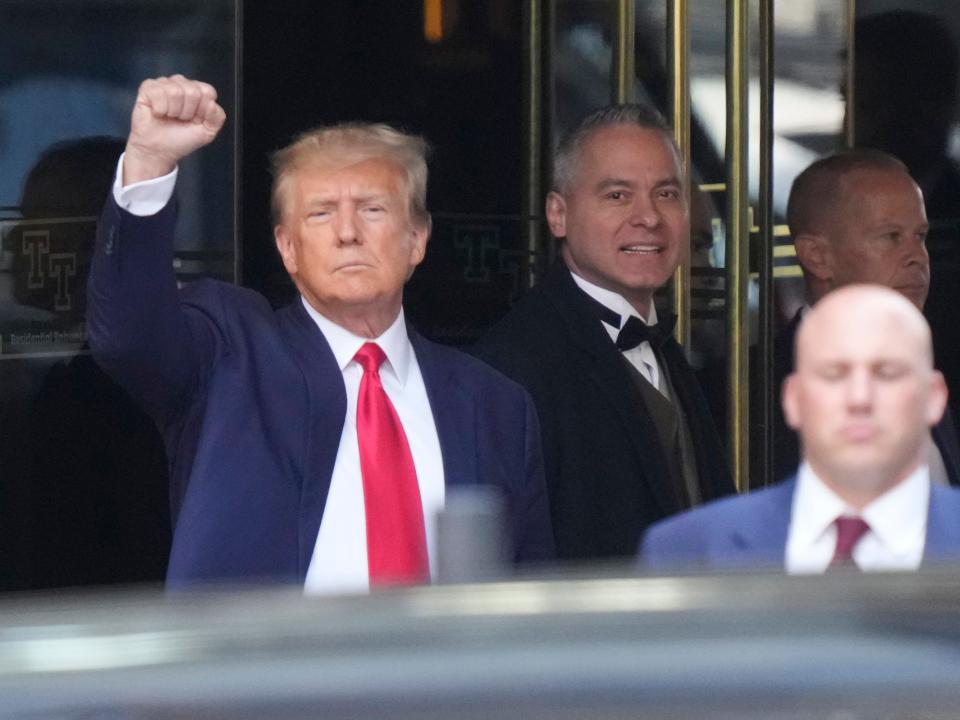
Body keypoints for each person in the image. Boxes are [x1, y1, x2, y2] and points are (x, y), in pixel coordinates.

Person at [87, 75, 554, 591]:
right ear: (287, 248)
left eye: (372, 209)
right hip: (273, 669)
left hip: (442, 670)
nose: (348, 232)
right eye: (321, 213)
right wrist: (149, 164)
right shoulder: (230, 353)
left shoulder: (495, 405)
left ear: (417, 239)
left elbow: (526, 597)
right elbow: (127, 336)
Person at [474, 104, 732, 561]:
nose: (648, 217)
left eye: (666, 194)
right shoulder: (510, 367)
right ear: (558, 214)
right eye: (617, 196)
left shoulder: (667, 351)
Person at [642, 285, 960, 573]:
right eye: (834, 374)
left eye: (887, 373)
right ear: (793, 398)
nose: (860, 398)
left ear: (935, 398)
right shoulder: (684, 550)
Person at [773, 150, 960, 485]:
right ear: (817, 256)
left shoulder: (940, 371)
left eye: (920, 236)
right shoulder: (750, 390)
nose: (917, 257)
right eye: (890, 237)